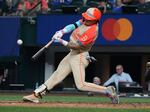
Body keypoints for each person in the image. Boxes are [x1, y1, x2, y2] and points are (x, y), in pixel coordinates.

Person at [23, 7, 119, 104]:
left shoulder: (92, 31)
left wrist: (60, 40)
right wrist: (62, 31)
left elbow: (75, 46)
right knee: (57, 74)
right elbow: (74, 25)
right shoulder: (86, 20)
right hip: (72, 54)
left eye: (89, 19)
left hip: (80, 55)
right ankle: (36, 94)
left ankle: (107, 90)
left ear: (95, 20)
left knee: (80, 85)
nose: (85, 20)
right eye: (86, 17)